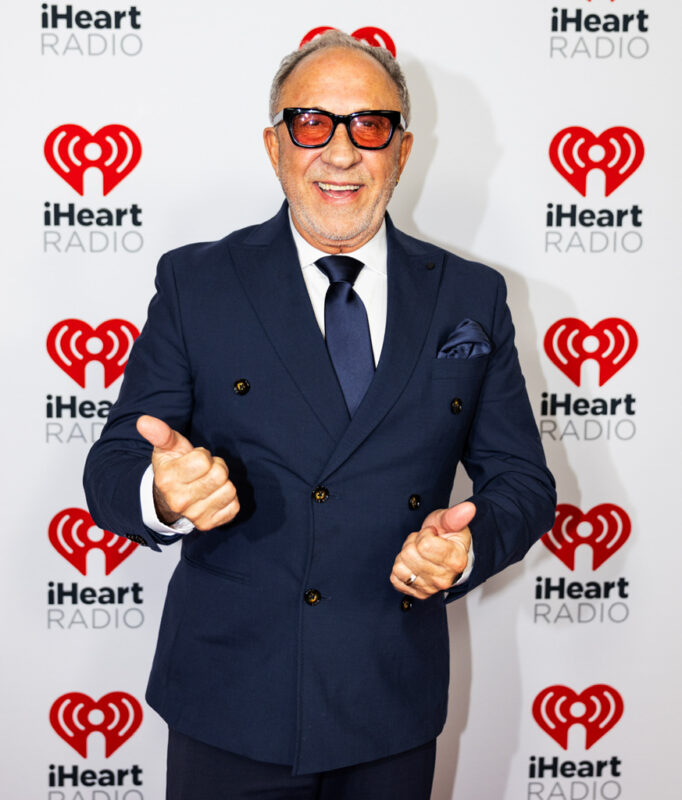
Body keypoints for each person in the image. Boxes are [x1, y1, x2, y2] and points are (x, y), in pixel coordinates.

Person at [84, 29, 556, 800]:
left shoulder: (470, 296)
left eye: (369, 125)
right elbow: (112, 467)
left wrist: (465, 550)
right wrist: (162, 494)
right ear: (275, 146)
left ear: (401, 151)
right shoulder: (198, 282)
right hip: (230, 697)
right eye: (311, 123)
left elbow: (523, 483)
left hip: (390, 697)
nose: (340, 153)